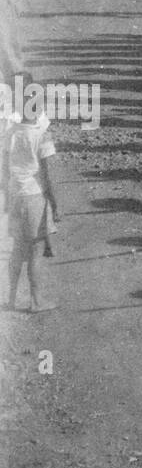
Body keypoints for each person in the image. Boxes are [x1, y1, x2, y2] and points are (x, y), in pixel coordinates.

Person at [3, 105, 60, 312]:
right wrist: (53, 203)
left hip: (15, 194)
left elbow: (4, 169)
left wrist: (7, 200)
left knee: (17, 250)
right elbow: (46, 176)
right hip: (34, 195)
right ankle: (36, 301)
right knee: (36, 251)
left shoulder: (11, 132)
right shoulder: (41, 135)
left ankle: (10, 298)